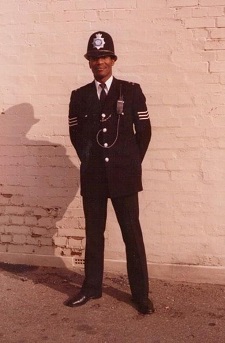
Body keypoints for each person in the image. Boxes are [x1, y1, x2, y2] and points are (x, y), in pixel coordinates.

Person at [65, 31, 154, 315]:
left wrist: (129, 162)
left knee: (132, 235)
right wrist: (92, 163)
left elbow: (144, 132)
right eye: (94, 58)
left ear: (113, 59)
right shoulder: (79, 96)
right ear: (88, 62)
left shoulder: (131, 91)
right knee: (94, 233)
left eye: (104, 57)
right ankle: (91, 287)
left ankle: (140, 294)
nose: (99, 62)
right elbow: (77, 135)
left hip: (124, 177)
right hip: (93, 178)